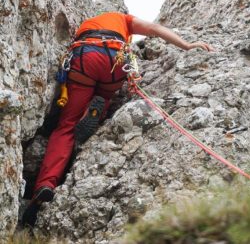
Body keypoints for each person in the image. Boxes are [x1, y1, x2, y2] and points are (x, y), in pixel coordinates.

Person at [22, 12, 215, 227]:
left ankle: (45, 184)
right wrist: (187, 45)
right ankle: (97, 111)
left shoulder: (88, 24)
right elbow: (155, 29)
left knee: (65, 125)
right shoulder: (123, 19)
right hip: (116, 61)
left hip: (88, 53)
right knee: (104, 96)